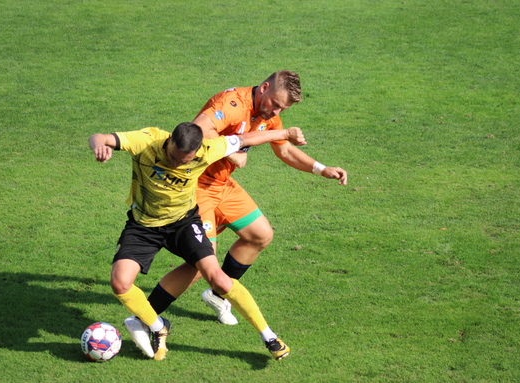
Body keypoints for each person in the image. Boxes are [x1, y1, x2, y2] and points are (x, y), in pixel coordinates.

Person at [142, 70, 348, 326]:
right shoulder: (230, 104)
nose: (275, 114)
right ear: (264, 88)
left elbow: (284, 150)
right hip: (196, 187)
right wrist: (231, 152)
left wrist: (321, 169)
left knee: (260, 235)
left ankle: (217, 295)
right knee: (201, 265)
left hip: (223, 185)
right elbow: (199, 129)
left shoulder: (268, 113)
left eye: (282, 110)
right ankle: (144, 317)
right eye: (275, 105)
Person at [89, 122, 307, 361]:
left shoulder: (208, 149)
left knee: (219, 280)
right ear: (169, 140)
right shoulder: (147, 140)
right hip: (144, 225)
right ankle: (158, 326)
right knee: (120, 283)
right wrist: (99, 146)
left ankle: (269, 337)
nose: (177, 163)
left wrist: (286, 133)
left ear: (196, 151)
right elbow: (99, 136)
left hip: (183, 223)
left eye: (185, 160)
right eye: (174, 156)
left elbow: (246, 139)